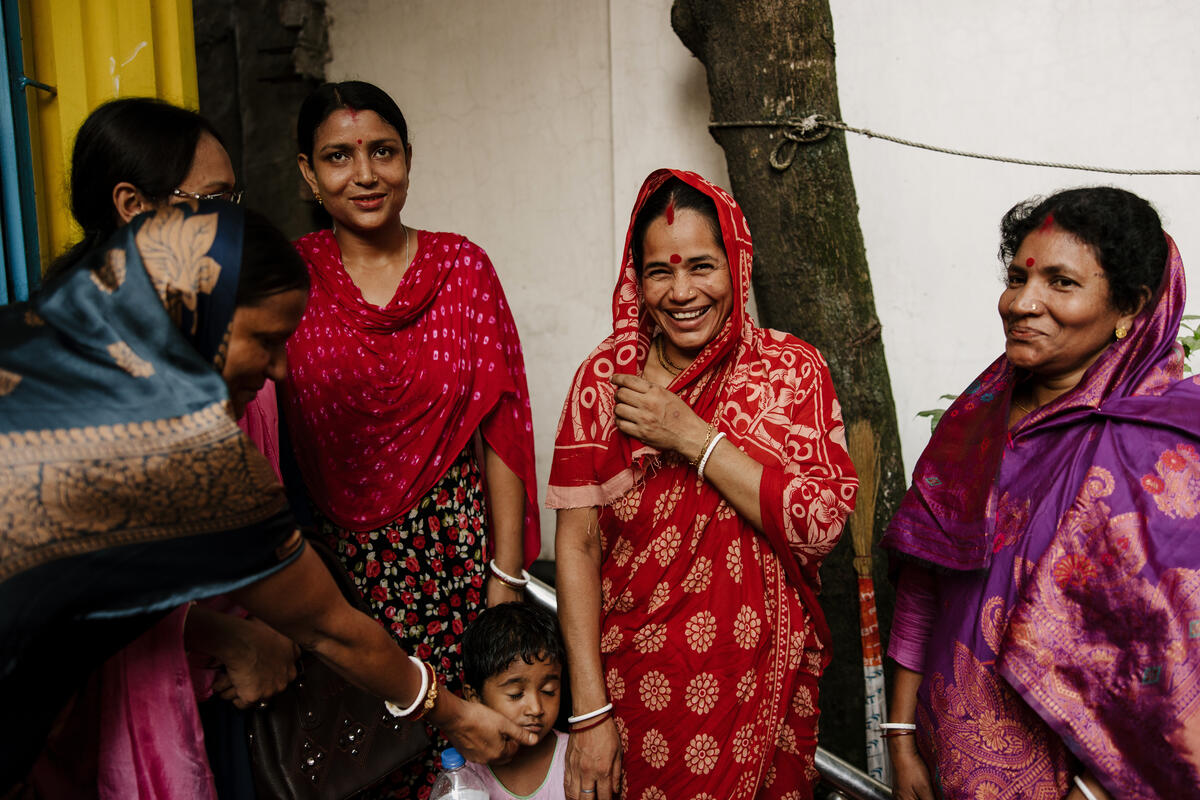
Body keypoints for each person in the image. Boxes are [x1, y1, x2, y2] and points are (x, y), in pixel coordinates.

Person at [0, 200, 535, 795]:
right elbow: (327, 627)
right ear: (194, 316)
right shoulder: (187, 454)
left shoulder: (32, 339)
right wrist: (454, 714)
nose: (282, 368)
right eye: (267, 338)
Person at [549, 169, 857, 800]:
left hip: (762, 694)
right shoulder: (603, 380)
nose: (682, 291)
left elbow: (820, 526)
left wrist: (690, 436)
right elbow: (576, 549)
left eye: (702, 266)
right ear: (637, 278)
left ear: (736, 266)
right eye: (660, 271)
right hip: (639, 690)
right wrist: (589, 711)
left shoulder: (790, 370)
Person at [882, 187, 1200, 800]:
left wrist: (1094, 791)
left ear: (1129, 308)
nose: (1022, 303)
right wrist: (900, 738)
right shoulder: (973, 422)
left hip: (1081, 779)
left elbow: (1183, 648)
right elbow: (926, 581)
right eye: (1017, 278)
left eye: (1061, 283)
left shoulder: (1164, 448)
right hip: (945, 755)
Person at [285, 80, 540, 797]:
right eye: (339, 156)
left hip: (457, 571)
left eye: (383, 152)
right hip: (335, 581)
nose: (365, 175)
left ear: (408, 158)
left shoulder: (463, 270)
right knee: (353, 765)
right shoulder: (289, 279)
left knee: (466, 770)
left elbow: (503, 428)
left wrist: (507, 579)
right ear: (307, 172)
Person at [460, 602, 568, 799]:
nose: (536, 709)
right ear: (474, 698)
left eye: (548, 691)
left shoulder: (574, 758)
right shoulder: (465, 773)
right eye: (516, 694)